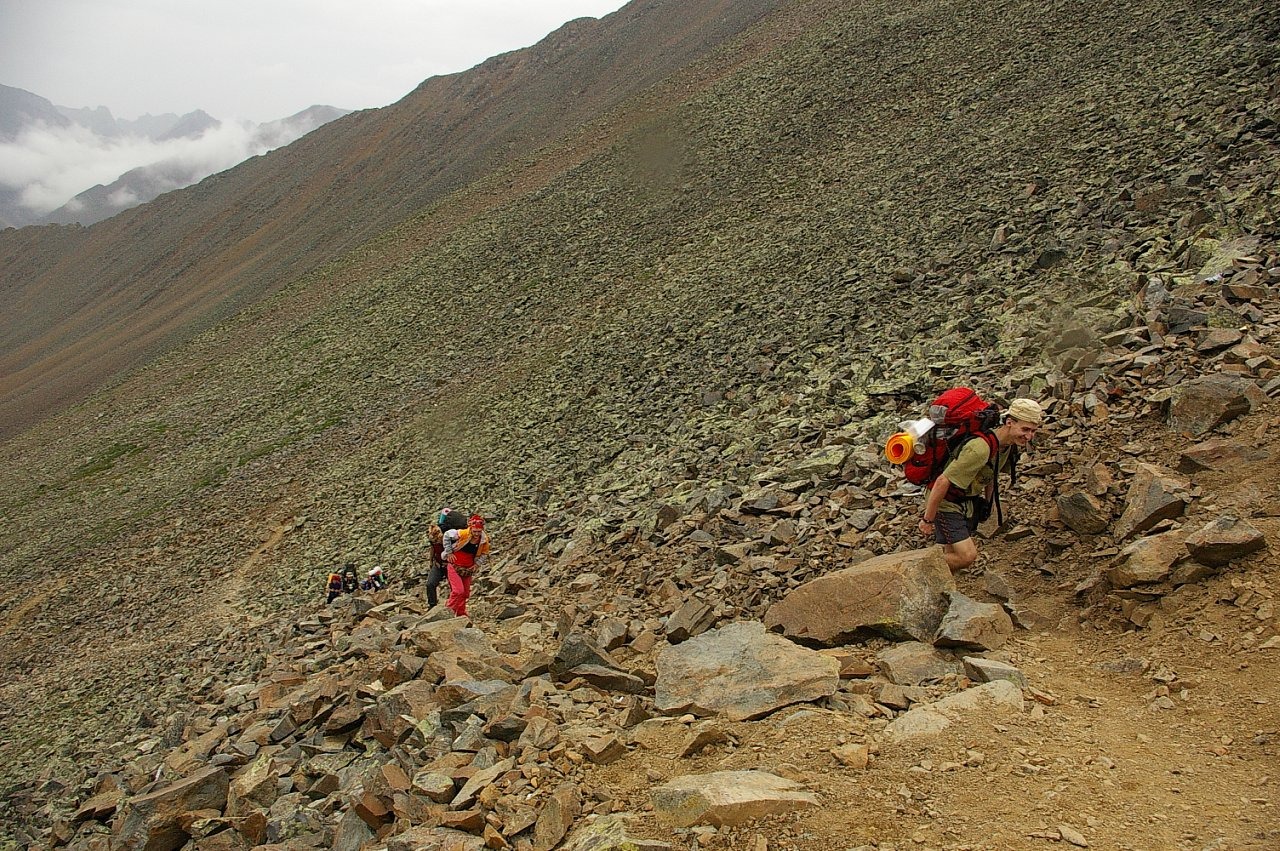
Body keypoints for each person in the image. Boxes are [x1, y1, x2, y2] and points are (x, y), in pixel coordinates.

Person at [918, 398, 1043, 572]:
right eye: (1025, 429)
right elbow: (942, 481)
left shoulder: (1006, 446)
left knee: (948, 552)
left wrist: (988, 501)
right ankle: (915, 568)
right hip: (946, 502)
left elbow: (991, 472)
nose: (1029, 436)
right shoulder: (980, 448)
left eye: (1033, 431)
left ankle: (940, 591)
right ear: (1009, 422)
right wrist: (927, 519)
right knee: (966, 556)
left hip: (964, 502)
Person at [440, 514, 490, 617]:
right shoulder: (463, 533)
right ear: (470, 528)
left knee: (465, 593)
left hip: (468, 568)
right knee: (458, 591)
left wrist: (477, 564)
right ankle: (448, 611)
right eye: (474, 531)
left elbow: (485, 553)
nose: (476, 534)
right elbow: (446, 535)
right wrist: (449, 552)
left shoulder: (484, 540)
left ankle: (461, 612)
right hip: (454, 565)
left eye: (479, 532)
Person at [425, 521, 446, 608]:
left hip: (449, 565)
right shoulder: (433, 541)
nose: (435, 542)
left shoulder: (445, 538)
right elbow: (433, 549)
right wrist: (431, 561)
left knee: (454, 586)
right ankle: (432, 604)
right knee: (430, 584)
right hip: (438, 563)